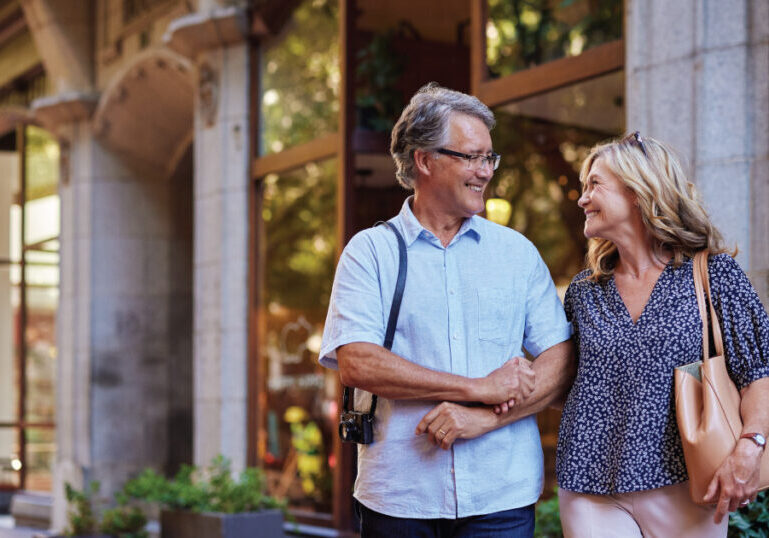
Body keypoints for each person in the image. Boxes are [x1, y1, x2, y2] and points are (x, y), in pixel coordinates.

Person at [318, 83, 574, 537]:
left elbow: (561, 360)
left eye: (489, 158)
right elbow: (357, 362)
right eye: (471, 157)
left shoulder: (517, 253)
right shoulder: (370, 253)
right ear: (424, 160)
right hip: (400, 497)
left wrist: (480, 418)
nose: (485, 172)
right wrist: (478, 387)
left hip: (503, 496)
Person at [555, 132, 769, 537]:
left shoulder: (713, 275)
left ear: (638, 192)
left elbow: (760, 373)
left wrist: (750, 446)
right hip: (589, 485)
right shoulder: (584, 293)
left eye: (594, 185)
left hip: (687, 483)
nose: (582, 199)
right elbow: (560, 381)